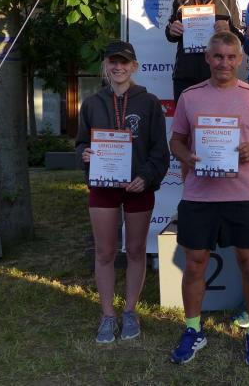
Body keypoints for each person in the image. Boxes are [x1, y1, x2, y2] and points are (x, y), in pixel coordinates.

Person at [168, 32, 249, 366]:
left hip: (243, 195)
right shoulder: (190, 97)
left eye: (231, 57)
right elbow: (176, 141)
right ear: (207, 58)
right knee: (195, 262)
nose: (224, 63)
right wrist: (186, 157)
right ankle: (192, 329)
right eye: (218, 56)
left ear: (240, 60)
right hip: (199, 196)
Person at [76, 40, 169, 343]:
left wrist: (147, 177)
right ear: (105, 65)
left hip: (137, 186)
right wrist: (84, 154)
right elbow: (81, 143)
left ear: (134, 66)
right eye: (113, 62)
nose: (118, 67)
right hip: (103, 186)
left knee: (136, 250)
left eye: (124, 62)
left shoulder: (149, 102)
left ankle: (130, 310)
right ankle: (107, 315)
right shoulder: (92, 103)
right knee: (105, 252)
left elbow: (160, 150)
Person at [165, 0, 244, 103]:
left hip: (220, 76)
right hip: (186, 77)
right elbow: (170, 33)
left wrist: (229, 31)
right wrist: (172, 30)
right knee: (185, 119)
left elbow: (241, 37)